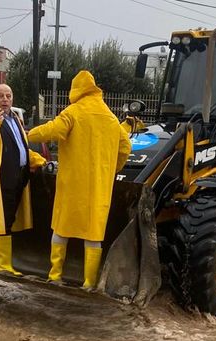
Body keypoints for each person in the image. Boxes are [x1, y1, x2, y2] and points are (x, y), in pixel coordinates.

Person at [27, 71, 132, 290]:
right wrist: (112, 168)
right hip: (98, 187)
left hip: (72, 184)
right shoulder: (111, 118)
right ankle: (89, 283)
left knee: (61, 229)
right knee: (93, 235)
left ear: (76, 90)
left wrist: (26, 134)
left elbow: (52, 130)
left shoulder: (73, 112)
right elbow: (125, 147)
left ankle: (55, 275)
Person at [0, 84, 46, 276]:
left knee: (2, 218)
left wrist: (38, 160)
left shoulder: (14, 118)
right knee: (3, 218)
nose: (5, 99)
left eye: (8, 96)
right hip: (1, 175)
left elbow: (21, 146)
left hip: (18, 175)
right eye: (1, 96)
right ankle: (3, 264)